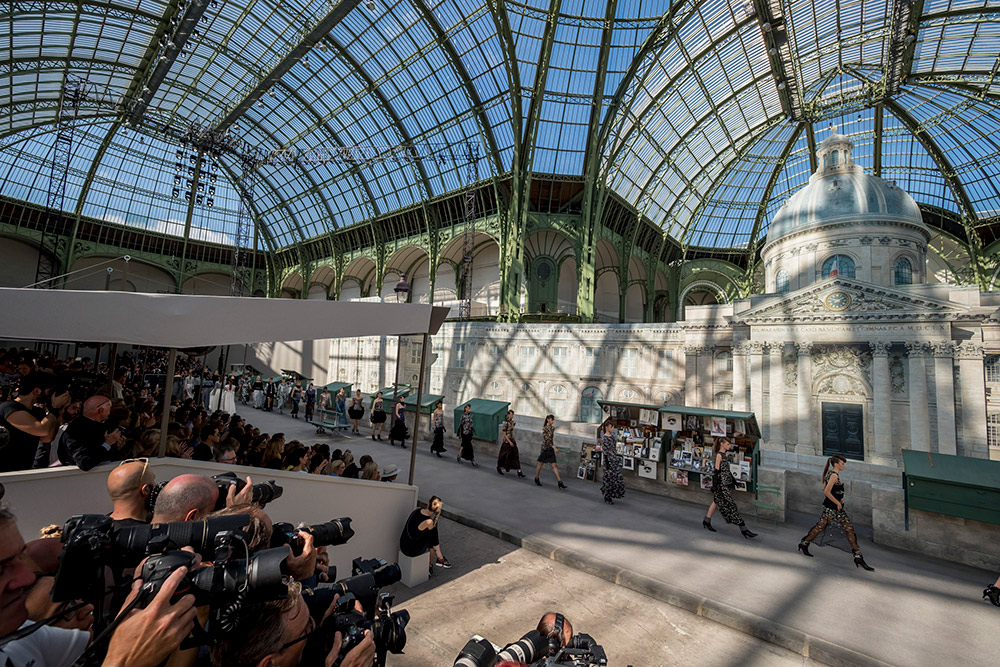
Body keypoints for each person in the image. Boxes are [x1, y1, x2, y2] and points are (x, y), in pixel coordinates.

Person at [0, 506, 91, 667]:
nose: (27, 578)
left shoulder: (27, 634)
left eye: (20, 557)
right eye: (1, 569)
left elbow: (120, 642)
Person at [797, 454, 873, 570]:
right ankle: (858, 556)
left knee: (821, 527)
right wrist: (837, 502)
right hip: (834, 508)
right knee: (848, 529)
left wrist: (839, 497)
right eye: (842, 464)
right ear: (836, 464)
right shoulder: (834, 476)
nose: (844, 466)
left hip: (830, 507)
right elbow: (826, 491)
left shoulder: (829, 473)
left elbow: (825, 488)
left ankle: (804, 543)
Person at [0, 371, 58, 471]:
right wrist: (54, 411)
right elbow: (41, 430)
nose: (51, 395)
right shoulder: (10, 407)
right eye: (49, 391)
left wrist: (58, 410)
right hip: (4, 470)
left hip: (22, 470)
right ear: (36, 391)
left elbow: (46, 438)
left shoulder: (38, 412)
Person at [702, 437, 757, 538]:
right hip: (721, 485)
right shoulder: (719, 455)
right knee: (731, 505)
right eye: (727, 444)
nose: (729, 446)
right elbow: (716, 472)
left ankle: (706, 520)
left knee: (716, 502)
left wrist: (735, 482)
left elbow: (727, 470)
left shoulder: (724, 455)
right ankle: (744, 529)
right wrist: (714, 486)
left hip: (724, 483)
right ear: (722, 444)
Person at [60, 395, 123, 471]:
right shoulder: (77, 430)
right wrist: (108, 444)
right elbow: (84, 462)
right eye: (110, 409)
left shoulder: (103, 425)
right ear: (101, 411)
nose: (110, 412)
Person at [399, 496, 451, 577]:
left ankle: (439, 558)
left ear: (428, 504)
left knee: (431, 532)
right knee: (432, 536)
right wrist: (436, 517)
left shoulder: (417, 510)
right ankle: (434, 562)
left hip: (403, 543)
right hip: (411, 550)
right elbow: (433, 535)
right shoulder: (429, 521)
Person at [107, 458, 156, 525]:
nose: (156, 485)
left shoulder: (97, 526)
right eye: (153, 481)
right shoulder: (148, 533)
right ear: (146, 490)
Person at [534, 414, 566, 489]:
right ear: (548, 420)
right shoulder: (545, 428)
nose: (552, 421)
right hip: (545, 448)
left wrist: (553, 447)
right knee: (540, 464)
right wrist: (554, 447)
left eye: (553, 420)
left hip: (550, 449)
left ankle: (560, 482)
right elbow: (547, 439)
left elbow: (551, 439)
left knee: (554, 465)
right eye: (551, 420)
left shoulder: (552, 428)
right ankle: (536, 478)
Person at [599, 420, 624, 505]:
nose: (612, 428)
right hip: (609, 461)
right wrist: (607, 463)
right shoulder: (605, 438)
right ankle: (607, 496)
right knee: (609, 479)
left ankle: (611, 495)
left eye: (612, 427)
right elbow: (605, 452)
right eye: (611, 427)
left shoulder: (612, 436)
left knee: (615, 478)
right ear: (606, 427)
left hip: (614, 460)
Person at [497, 409, 523, 477]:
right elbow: (504, 434)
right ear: (508, 415)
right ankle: (499, 467)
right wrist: (509, 442)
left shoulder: (513, 422)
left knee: (516, 455)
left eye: (513, 414)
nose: (512, 416)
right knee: (503, 455)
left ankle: (519, 471)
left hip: (512, 440)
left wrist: (512, 441)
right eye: (511, 414)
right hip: (507, 441)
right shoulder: (505, 423)